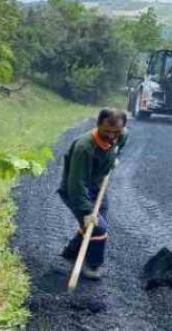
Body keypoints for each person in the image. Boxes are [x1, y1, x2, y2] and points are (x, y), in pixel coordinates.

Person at [58, 108, 128, 280]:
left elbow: (120, 141)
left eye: (116, 132)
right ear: (97, 125)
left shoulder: (121, 135)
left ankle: (71, 251)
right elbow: (76, 184)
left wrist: (115, 156)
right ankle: (92, 265)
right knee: (97, 227)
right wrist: (88, 211)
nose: (112, 136)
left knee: (100, 217)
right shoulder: (84, 148)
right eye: (107, 132)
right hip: (76, 191)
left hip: (97, 187)